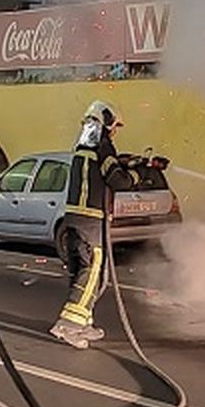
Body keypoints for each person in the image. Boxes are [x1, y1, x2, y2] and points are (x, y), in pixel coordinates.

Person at [50, 99, 168, 348]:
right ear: (105, 123)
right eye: (114, 125)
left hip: (74, 220)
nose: (115, 130)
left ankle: (83, 323)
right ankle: (68, 326)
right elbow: (119, 181)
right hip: (89, 221)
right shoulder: (102, 147)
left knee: (86, 274)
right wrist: (145, 175)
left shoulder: (84, 146)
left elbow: (112, 163)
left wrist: (140, 161)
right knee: (93, 273)